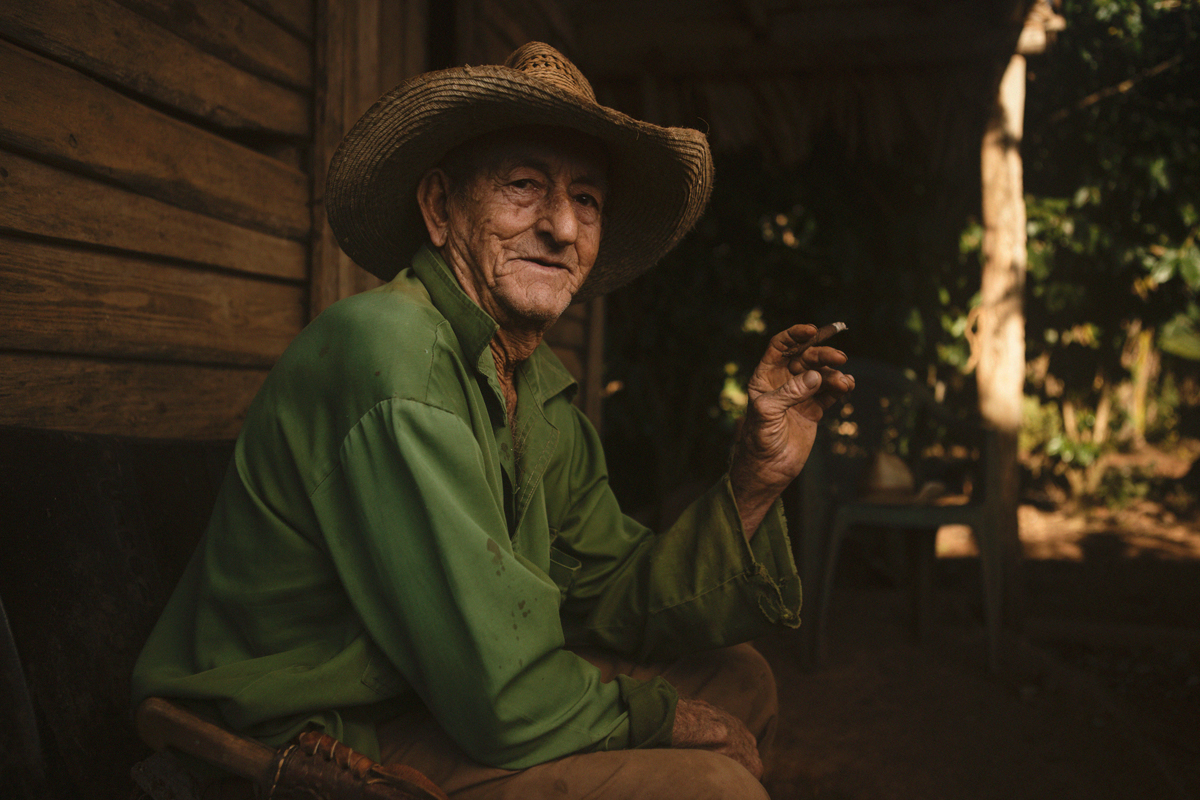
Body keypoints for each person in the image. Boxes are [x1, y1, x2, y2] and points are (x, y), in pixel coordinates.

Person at [132, 42, 852, 799]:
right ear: (441, 208)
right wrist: (662, 718)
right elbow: (498, 691)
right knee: (715, 790)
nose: (563, 228)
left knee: (738, 679)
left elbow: (610, 596)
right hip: (312, 736)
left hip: (434, 695)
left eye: (588, 200)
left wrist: (754, 481)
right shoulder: (389, 349)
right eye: (524, 185)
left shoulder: (534, 388)